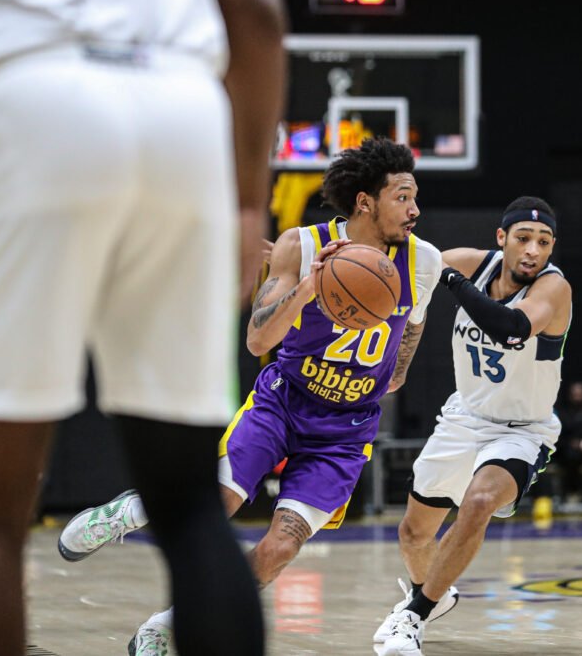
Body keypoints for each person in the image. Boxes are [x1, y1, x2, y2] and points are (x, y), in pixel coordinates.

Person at [0, 0, 286, 655]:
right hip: (184, 117)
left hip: (30, 104)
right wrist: (245, 203)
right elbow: (256, 8)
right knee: (191, 505)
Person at [58, 137, 443, 652]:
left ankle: (167, 627)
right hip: (283, 404)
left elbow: (408, 341)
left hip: (346, 430)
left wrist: (388, 371)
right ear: (365, 202)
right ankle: (126, 513)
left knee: (281, 548)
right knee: (216, 502)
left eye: (415, 197)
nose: (415, 209)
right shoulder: (300, 246)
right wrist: (308, 289)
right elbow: (258, 340)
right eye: (402, 197)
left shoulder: (423, 262)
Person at [375, 196, 572, 656]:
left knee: (480, 501)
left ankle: (413, 616)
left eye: (544, 242)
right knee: (413, 535)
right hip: (465, 418)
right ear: (502, 238)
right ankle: (433, 596)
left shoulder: (554, 288)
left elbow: (512, 328)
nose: (533, 250)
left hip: (522, 430)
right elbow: (402, 262)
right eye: (523, 238)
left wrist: (449, 279)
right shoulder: (471, 264)